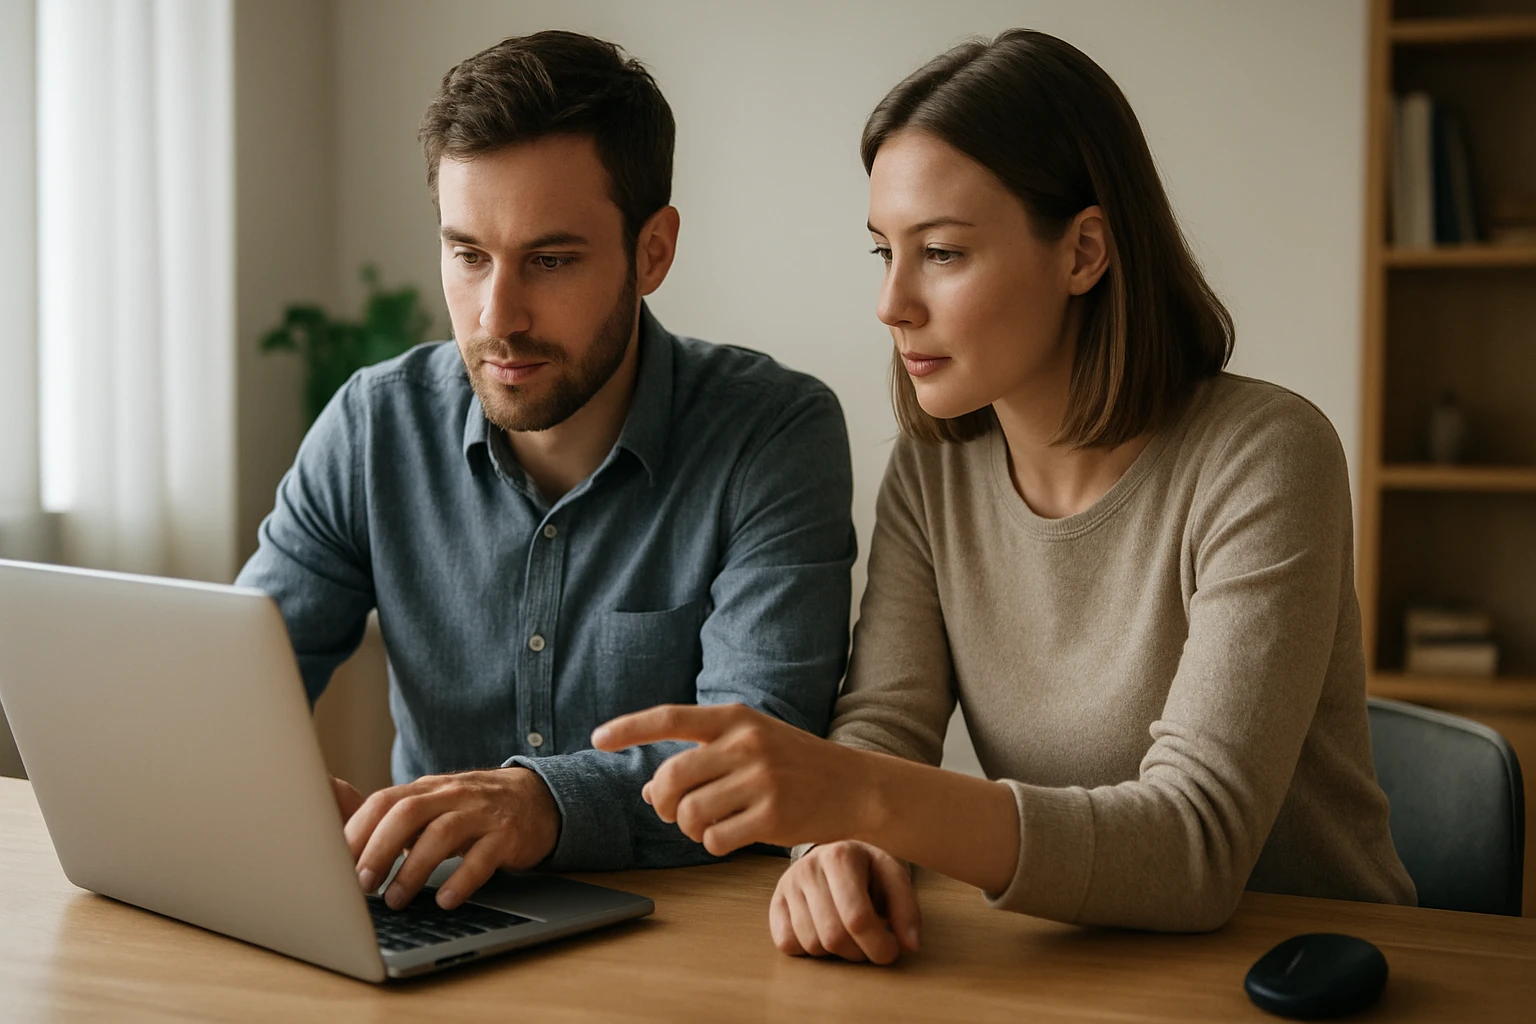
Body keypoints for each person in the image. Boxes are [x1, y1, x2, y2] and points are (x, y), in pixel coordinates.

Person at [594, 28, 1416, 965]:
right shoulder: (933, 472)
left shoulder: (1267, 458)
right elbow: (885, 728)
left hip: (1312, 967)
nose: (892, 303)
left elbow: (1198, 844)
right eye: (883, 252)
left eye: (940, 252)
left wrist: (857, 795)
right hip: (1082, 966)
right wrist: (841, 845)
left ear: (1084, 253)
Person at [236, 31, 855, 912]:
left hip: (689, 940)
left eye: (550, 260)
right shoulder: (374, 426)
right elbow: (242, 680)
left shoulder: (772, 434)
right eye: (468, 254)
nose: (499, 316)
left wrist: (542, 803)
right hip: (435, 913)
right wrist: (282, 803)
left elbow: (753, 757)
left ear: (653, 252)